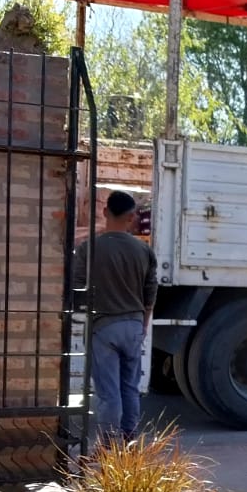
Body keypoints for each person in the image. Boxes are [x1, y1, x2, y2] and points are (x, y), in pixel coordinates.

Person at [72, 190, 157, 448]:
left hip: (104, 327)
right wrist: (143, 323)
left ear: (105, 212)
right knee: (130, 388)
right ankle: (130, 443)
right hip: (134, 325)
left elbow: (76, 287)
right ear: (132, 217)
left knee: (108, 393)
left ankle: (109, 447)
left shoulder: (89, 248)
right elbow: (150, 293)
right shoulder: (143, 250)